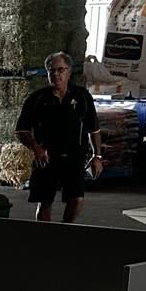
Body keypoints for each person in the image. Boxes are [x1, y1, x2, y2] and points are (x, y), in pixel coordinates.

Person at [16, 52, 102, 223]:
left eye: (60, 70)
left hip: (74, 157)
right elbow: (22, 130)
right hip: (46, 158)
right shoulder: (37, 99)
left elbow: (94, 130)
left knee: (76, 199)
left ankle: (65, 229)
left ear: (69, 71)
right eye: (51, 71)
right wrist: (36, 148)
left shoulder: (82, 96)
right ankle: (45, 237)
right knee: (45, 202)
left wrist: (97, 156)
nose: (56, 74)